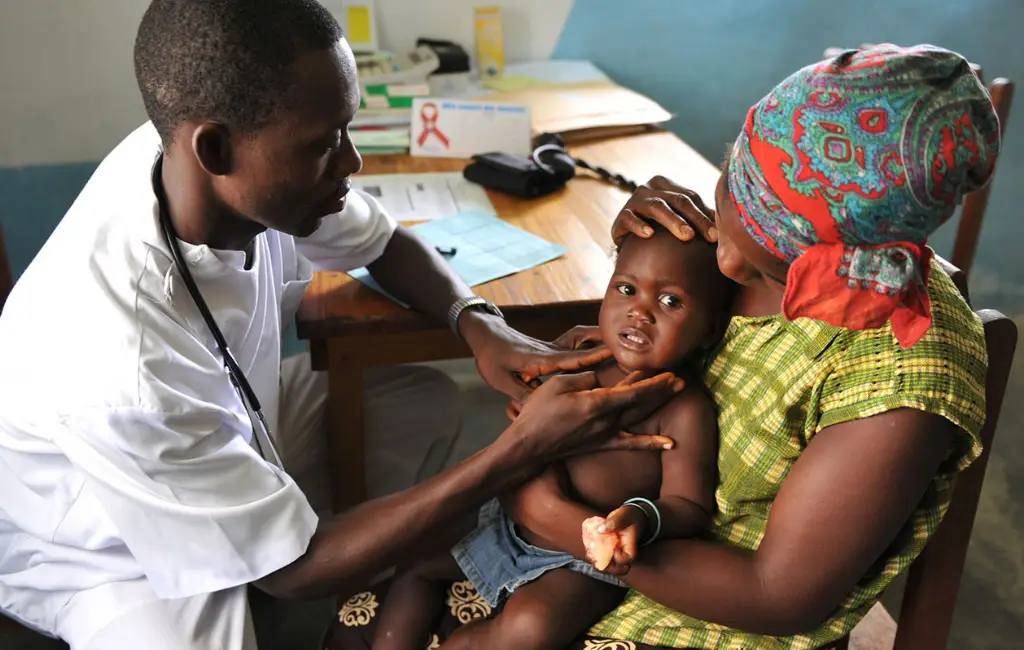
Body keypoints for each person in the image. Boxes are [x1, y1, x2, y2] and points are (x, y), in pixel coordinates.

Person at [0, 2, 688, 649]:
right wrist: (518, 452)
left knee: (420, 400)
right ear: (215, 151)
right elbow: (292, 571)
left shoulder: (206, 161)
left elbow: (384, 244)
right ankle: (291, 549)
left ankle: (325, 547)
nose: (352, 162)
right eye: (326, 142)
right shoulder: (122, 360)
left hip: (224, 425)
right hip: (99, 542)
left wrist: (480, 326)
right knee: (274, 578)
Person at [326, 43, 1001, 650]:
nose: (728, 266)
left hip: (712, 616)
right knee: (382, 596)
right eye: (729, 193)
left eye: (770, 269)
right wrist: (659, 261)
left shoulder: (906, 376)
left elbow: (779, 596)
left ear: (843, 263)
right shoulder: (738, 243)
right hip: (589, 535)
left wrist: (551, 515)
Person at [371, 224, 733, 650]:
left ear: (709, 331)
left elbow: (688, 507)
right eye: (626, 289)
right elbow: (525, 424)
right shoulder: (578, 363)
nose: (641, 312)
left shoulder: (683, 408)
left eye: (671, 301)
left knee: (531, 627)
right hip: (503, 519)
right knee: (414, 558)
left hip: (578, 561)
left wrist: (639, 517)